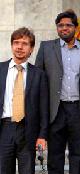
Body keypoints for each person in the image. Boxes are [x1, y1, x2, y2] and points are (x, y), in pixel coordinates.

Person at [35, 10, 80, 174]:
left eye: (68, 25)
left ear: (75, 28)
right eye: (60, 25)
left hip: (79, 110)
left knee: (78, 155)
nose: (64, 28)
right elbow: (38, 81)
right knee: (55, 157)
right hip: (56, 111)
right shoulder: (46, 48)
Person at [0, 27, 49, 174]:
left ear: (31, 48)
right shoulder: (0, 70)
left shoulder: (39, 75)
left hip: (28, 130)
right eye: (16, 43)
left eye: (24, 43)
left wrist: (42, 135)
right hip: (4, 129)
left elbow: (44, 108)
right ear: (11, 45)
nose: (19, 47)